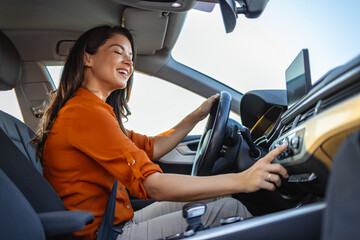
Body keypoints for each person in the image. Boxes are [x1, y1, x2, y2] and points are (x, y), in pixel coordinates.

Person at [31, 25, 288, 240]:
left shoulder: (93, 110)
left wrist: (197, 115)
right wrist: (244, 179)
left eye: (131, 56)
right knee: (230, 206)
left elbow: (152, 147)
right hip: (105, 234)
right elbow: (153, 185)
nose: (128, 61)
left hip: (113, 222)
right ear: (88, 58)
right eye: (117, 51)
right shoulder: (86, 113)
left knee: (220, 194)